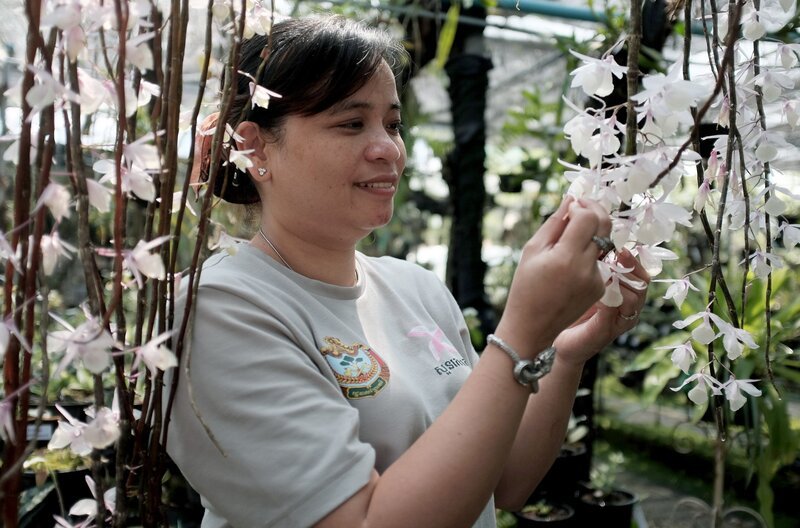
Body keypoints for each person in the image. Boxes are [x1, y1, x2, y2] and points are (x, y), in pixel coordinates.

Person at [166, 14, 650, 528]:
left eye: (392, 124)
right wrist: (520, 333)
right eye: (352, 123)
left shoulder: (413, 286)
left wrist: (564, 349)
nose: (388, 150)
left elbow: (507, 481)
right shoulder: (219, 308)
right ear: (256, 146)